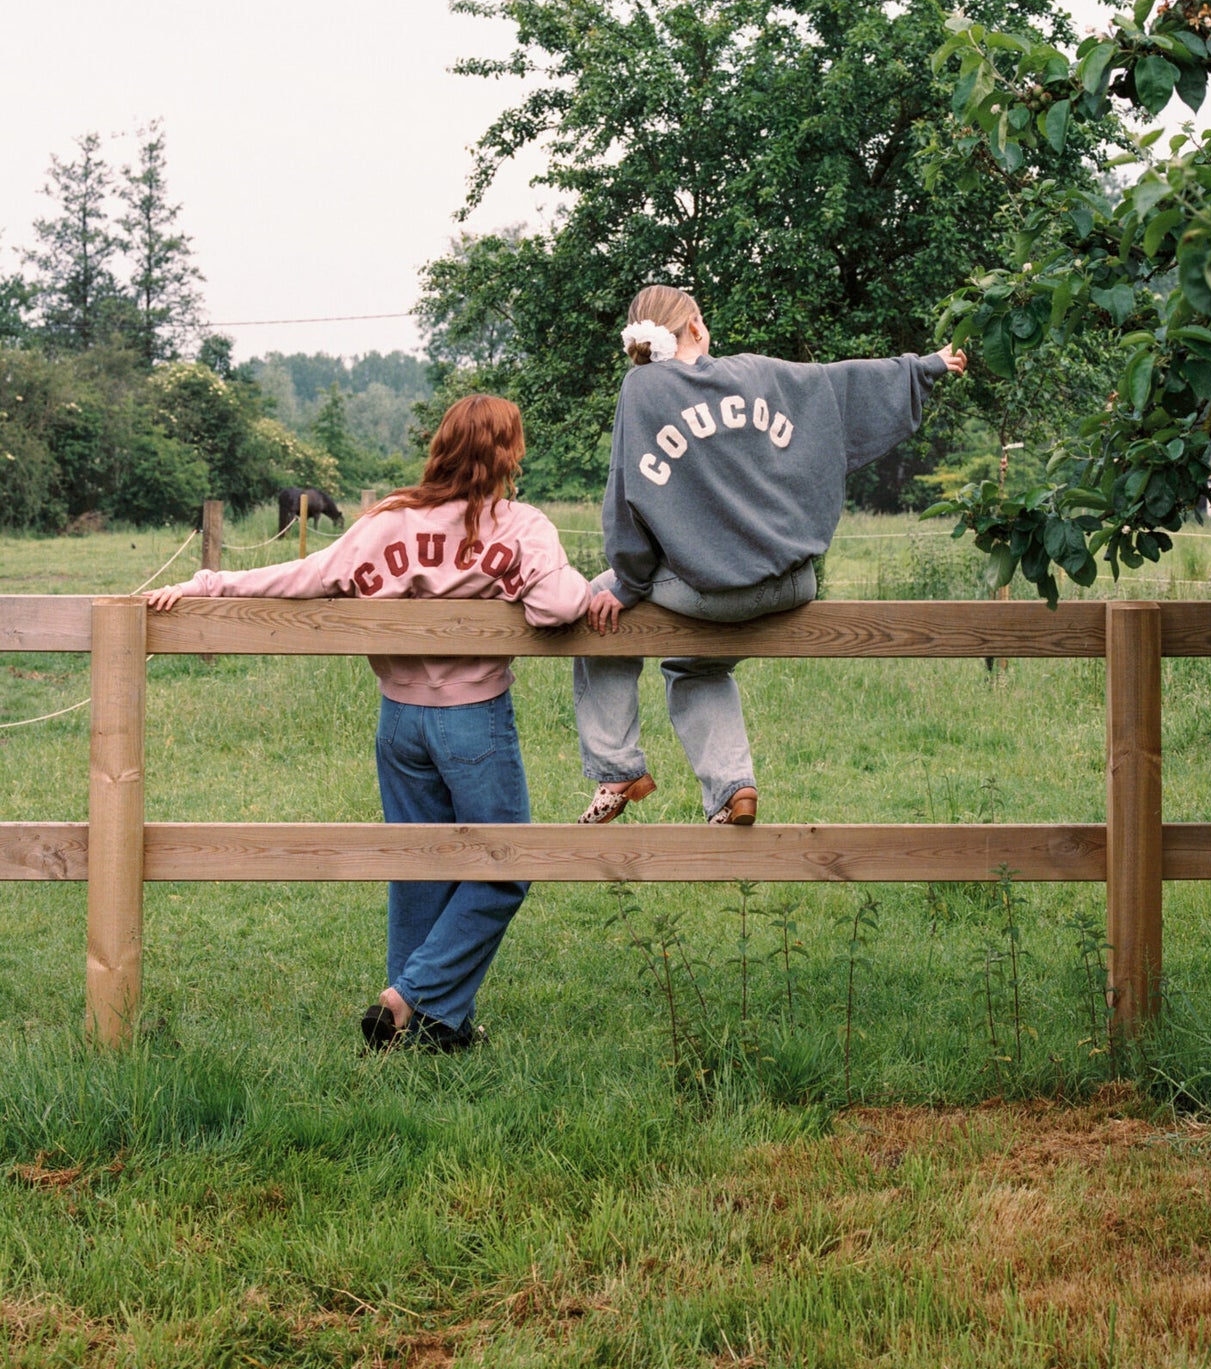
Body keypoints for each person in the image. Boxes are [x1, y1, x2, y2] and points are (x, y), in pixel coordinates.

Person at [148, 395, 591, 1052]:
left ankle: (430, 1033)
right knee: (505, 867)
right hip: (472, 721)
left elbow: (309, 576)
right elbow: (559, 605)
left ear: (441, 447)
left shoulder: (388, 521)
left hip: (399, 723)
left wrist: (213, 583)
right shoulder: (518, 525)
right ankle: (410, 997)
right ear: (508, 455)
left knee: (418, 867)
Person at [575, 285, 966, 826]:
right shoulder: (757, 373)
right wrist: (923, 367)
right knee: (695, 665)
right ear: (696, 327)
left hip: (715, 592)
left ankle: (617, 767)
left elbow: (626, 497)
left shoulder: (642, 389)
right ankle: (734, 792)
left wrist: (627, 583)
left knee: (596, 600)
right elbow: (842, 383)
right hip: (793, 583)